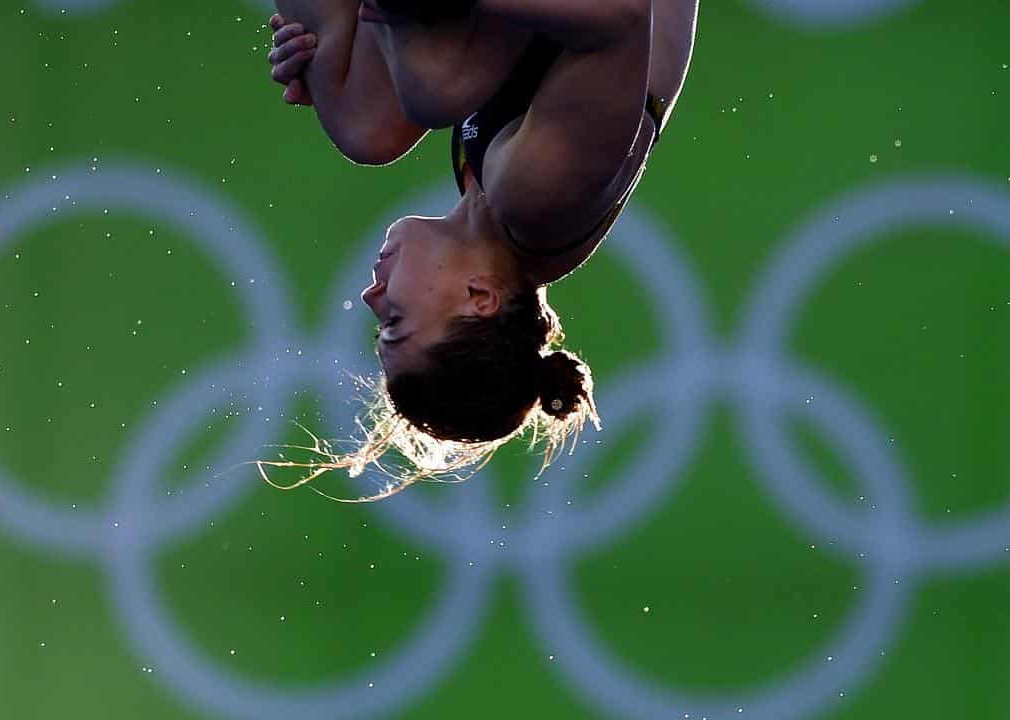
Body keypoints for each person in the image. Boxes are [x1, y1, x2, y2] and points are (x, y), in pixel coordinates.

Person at [260, 0, 698, 497]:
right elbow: (624, 17)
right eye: (395, 322)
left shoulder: (491, 207)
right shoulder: (538, 201)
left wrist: (324, 62)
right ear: (480, 299)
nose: (372, 299)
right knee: (432, 89)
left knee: (361, 122)